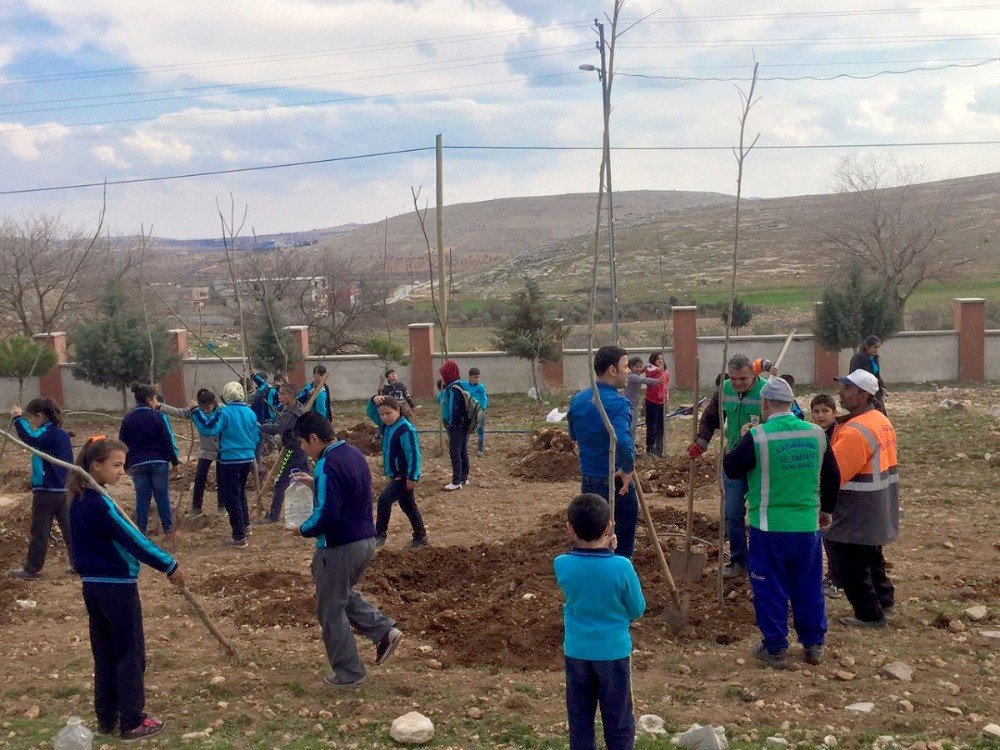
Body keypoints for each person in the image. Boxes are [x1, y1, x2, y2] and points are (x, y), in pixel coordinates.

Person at [68, 436, 184, 741]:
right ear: (96, 465)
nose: (122, 471)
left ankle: (107, 716)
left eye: (123, 465)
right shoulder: (98, 503)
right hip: (117, 587)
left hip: (92, 586)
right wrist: (168, 564)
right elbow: (134, 540)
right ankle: (132, 720)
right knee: (130, 654)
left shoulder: (80, 499)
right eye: (116, 465)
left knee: (104, 652)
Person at [723, 378, 840, 668]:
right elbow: (833, 477)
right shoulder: (816, 433)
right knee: (808, 585)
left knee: (770, 587)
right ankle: (813, 644)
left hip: (769, 527)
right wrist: (826, 509)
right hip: (806, 526)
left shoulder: (759, 436)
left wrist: (742, 436)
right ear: (792, 403)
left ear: (764, 404)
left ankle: (774, 646)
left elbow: (731, 468)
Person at [293, 411, 403, 687]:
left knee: (330, 610)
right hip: (366, 541)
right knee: (341, 594)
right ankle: (383, 631)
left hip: (339, 546)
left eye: (304, 444)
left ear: (314, 438)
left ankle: (349, 673)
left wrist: (303, 529)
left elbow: (328, 515)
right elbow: (348, 490)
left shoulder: (326, 463)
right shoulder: (352, 453)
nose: (304, 450)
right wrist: (315, 483)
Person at [554, 493, 645, 750]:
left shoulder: (561, 565)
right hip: (613, 654)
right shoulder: (622, 566)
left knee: (580, 721)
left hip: (577, 652)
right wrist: (611, 552)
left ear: (570, 528)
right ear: (609, 527)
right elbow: (637, 609)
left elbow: (583, 564)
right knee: (618, 722)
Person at [825, 369, 900, 629]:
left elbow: (834, 475)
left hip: (856, 506)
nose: (841, 393)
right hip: (877, 502)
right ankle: (884, 598)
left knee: (850, 562)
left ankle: (869, 614)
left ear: (864, 394)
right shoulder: (879, 419)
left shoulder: (856, 432)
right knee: (871, 555)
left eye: (847, 389)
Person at [688, 353, 766, 577]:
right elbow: (711, 417)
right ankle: (738, 561)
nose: (738, 383)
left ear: (753, 373)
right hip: (733, 459)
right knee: (732, 513)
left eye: (743, 378)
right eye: (734, 378)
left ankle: (760, 563)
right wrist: (701, 442)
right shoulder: (725, 390)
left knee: (761, 513)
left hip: (761, 462)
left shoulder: (767, 391)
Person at [567, 345, 638, 559]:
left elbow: (573, 435)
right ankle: (619, 570)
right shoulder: (618, 404)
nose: (629, 372)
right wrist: (628, 469)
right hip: (613, 480)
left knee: (593, 531)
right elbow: (623, 442)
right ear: (612, 370)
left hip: (588, 478)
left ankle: (593, 567)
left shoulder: (578, 400)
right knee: (622, 530)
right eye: (626, 367)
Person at [8, 398, 74, 580]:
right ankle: (79, 564)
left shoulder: (48, 432)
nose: (31, 422)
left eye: (32, 417)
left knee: (40, 531)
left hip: (48, 490)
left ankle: (32, 569)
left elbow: (30, 438)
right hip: (63, 489)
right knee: (70, 529)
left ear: (40, 415)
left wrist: (17, 418)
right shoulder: (61, 434)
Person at [191, 382, 261, 548]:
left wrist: (195, 412)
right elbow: (257, 436)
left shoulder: (225, 412)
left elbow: (209, 429)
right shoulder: (250, 412)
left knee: (231, 498)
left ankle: (239, 537)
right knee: (240, 493)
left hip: (230, 459)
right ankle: (245, 526)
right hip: (247, 458)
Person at [118, 384, 179, 537]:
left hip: (137, 464)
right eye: (154, 399)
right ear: (148, 399)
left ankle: (141, 534)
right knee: (162, 497)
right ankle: (169, 531)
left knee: (142, 499)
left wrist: (125, 464)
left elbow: (122, 443)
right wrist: (174, 461)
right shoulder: (158, 417)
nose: (155, 402)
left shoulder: (128, 419)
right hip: (159, 462)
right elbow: (167, 441)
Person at [366, 395, 426, 548]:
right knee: (408, 505)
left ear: (398, 410)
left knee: (384, 500)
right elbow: (370, 412)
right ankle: (420, 536)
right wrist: (374, 399)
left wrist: (412, 476)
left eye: (388, 413)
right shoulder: (387, 425)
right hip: (397, 475)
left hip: (404, 475)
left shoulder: (405, 429)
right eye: (382, 414)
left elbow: (413, 453)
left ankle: (380, 534)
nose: (385, 417)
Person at [158, 389, 224, 519]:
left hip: (222, 449)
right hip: (206, 450)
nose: (205, 410)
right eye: (202, 408)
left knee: (222, 479)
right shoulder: (195, 411)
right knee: (199, 478)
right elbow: (179, 412)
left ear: (213, 403)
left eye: (207, 407)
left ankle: (222, 506)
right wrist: (160, 406)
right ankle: (196, 507)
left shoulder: (223, 410)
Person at [257, 384, 306, 524]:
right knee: (307, 479)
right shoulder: (297, 408)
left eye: (282, 393)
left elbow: (277, 428)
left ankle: (274, 515)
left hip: (293, 450)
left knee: (281, 481)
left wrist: (260, 427)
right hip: (300, 449)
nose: (279, 396)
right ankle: (317, 507)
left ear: (289, 396)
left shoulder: (291, 413)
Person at [810, 393, 843, 598]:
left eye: (825, 411)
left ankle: (835, 578)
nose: (821, 415)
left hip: (835, 492)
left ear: (834, 412)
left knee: (833, 536)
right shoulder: (813, 434)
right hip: (822, 491)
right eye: (816, 411)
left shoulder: (837, 433)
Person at [438, 359, 472, 491]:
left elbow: (454, 410)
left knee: (454, 451)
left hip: (457, 426)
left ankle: (456, 481)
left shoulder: (454, 389)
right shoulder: (459, 386)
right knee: (462, 450)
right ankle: (463, 477)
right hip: (463, 426)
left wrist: (451, 424)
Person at [623, 357, 660, 440]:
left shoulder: (635, 373)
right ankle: (630, 447)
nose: (639, 369)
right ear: (630, 367)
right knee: (631, 428)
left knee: (633, 427)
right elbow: (644, 380)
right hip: (630, 405)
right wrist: (658, 381)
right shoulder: (632, 377)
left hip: (634, 404)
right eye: (636, 367)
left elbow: (642, 369)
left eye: (640, 366)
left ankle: (631, 446)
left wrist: (649, 366)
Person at [848, 336, 887, 414]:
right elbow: (854, 375)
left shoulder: (874, 358)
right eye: (875, 347)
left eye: (878, 347)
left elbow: (876, 375)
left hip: (875, 390)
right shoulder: (858, 358)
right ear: (867, 346)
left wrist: (883, 387)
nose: (877, 350)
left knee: (880, 412)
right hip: (863, 392)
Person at [643, 352, 670, 458]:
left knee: (661, 426)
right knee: (652, 425)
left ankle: (660, 449)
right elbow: (650, 374)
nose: (660, 360)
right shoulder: (651, 369)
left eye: (662, 358)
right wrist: (660, 370)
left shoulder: (664, 371)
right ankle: (650, 448)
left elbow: (666, 385)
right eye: (658, 359)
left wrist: (666, 395)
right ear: (653, 360)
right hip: (652, 401)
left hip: (662, 401)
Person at [459, 367, 489, 457]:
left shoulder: (481, 387)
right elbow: (455, 383)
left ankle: (480, 449)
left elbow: (484, 399)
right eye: (475, 377)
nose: (477, 379)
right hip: (469, 412)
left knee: (480, 431)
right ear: (470, 377)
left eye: (478, 377)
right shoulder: (464, 385)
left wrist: (483, 409)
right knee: (466, 431)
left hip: (479, 411)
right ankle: (462, 449)